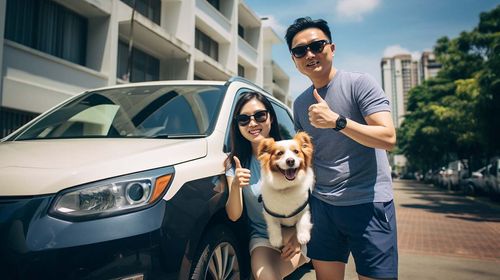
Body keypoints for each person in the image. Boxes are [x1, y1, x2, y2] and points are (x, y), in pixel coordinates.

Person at [285, 17, 398, 280]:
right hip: (323, 207)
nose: (309, 54)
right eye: (300, 51)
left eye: (316, 45)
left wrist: (337, 121)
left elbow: (388, 138)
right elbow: (308, 163)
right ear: (294, 59)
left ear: (331, 48)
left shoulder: (360, 83)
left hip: (368, 203)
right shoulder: (300, 103)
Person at [224, 91, 309, 279]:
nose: (252, 123)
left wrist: (297, 238)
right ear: (237, 125)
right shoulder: (235, 163)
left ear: (270, 117)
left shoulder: (290, 155)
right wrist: (236, 185)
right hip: (263, 236)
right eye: (243, 119)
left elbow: (311, 201)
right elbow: (234, 214)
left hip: (294, 233)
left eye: (259, 116)